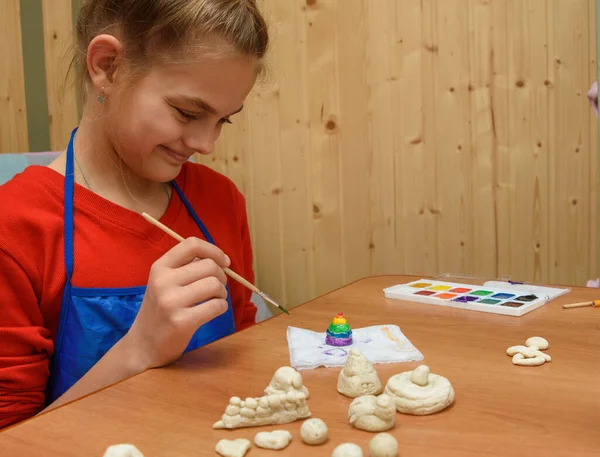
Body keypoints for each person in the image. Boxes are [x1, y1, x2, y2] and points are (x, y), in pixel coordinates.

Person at [0, 0, 269, 429]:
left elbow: (243, 356)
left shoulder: (221, 201)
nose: (206, 144)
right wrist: (138, 350)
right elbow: (12, 440)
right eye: (188, 112)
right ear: (108, 66)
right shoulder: (15, 227)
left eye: (224, 120)